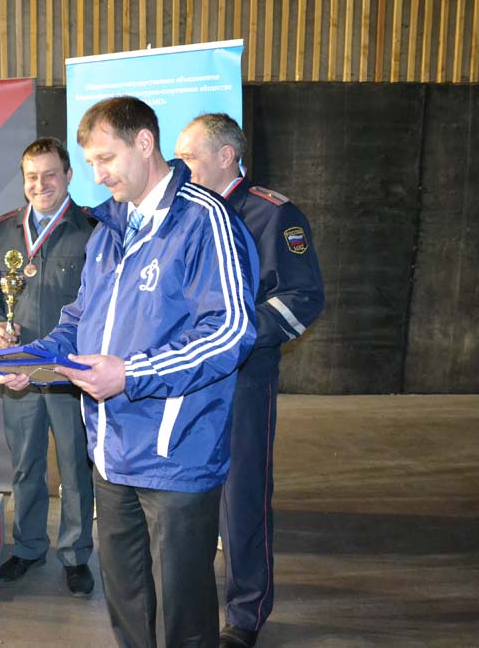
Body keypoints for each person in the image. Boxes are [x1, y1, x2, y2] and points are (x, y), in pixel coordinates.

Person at [0, 97, 258, 648]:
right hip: (111, 457)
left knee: (185, 618)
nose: (98, 174)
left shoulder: (204, 220)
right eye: (91, 162)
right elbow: (79, 321)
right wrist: (33, 362)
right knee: (127, 605)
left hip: (176, 457)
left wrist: (131, 374)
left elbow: (231, 330)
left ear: (144, 143)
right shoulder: (109, 229)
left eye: (106, 158)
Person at [175, 113, 324, 648]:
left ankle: (245, 615)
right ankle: (186, 602)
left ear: (225, 156)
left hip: (241, 380)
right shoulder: (183, 214)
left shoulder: (272, 213)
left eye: (189, 156)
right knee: (183, 499)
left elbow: (302, 298)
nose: (179, 166)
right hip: (185, 380)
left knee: (241, 501)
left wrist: (234, 336)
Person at [0, 137, 96, 597]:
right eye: (31, 176)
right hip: (19, 370)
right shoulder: (5, 230)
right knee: (25, 464)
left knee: (74, 465)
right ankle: (28, 547)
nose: (40, 184)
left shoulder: (92, 229)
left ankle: (76, 554)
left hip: (69, 372)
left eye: (50, 174)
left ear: (68, 176)